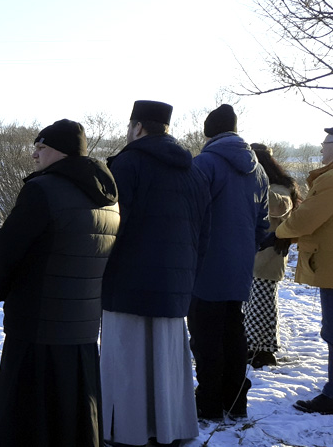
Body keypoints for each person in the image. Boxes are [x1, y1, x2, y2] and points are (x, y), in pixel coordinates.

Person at [0, 119, 120, 446]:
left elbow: (7, 251)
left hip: (36, 332)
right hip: (83, 335)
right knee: (74, 424)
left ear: (59, 151)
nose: (34, 155)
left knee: (31, 424)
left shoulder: (42, 191)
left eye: (41, 147)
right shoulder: (110, 201)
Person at [101, 101, 211, 447]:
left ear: (137, 127)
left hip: (128, 282)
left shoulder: (127, 164)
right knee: (166, 364)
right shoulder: (193, 171)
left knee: (127, 361)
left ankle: (127, 432)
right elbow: (203, 233)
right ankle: (169, 428)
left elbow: (112, 228)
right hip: (175, 284)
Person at [188, 104, 269, 420]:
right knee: (234, 335)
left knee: (206, 340)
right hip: (239, 269)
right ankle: (236, 403)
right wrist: (245, 250)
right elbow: (264, 222)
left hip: (206, 268)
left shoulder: (203, 165)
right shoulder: (258, 169)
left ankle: (208, 404)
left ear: (209, 132)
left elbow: (191, 216)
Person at [275, 127, 333, 415]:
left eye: (325, 144)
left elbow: (305, 219)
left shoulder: (331, 180)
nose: (321, 149)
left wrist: (279, 234)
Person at [244, 143, 300, 370]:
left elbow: (279, 206)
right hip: (259, 258)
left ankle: (263, 352)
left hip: (268, 258)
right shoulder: (276, 186)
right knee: (254, 307)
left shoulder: (280, 188)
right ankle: (255, 348)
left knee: (262, 306)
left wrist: (254, 183)